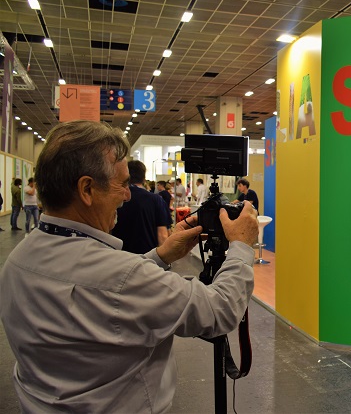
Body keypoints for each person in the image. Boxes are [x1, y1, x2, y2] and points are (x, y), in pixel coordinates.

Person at [0, 120, 259, 413]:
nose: (127, 195)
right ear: (86, 189)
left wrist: (159, 256)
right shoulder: (121, 277)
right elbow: (219, 311)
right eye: (122, 184)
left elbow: (102, 291)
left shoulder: (17, 261)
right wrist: (240, 246)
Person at [112, 161, 171, 254]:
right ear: (144, 178)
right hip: (148, 257)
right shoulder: (156, 200)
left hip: (119, 255)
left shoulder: (115, 198)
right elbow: (162, 234)